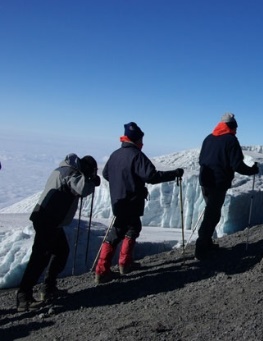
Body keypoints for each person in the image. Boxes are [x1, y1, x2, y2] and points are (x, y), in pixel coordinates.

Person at [95, 122, 184, 283]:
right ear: (136, 139)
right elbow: (152, 176)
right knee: (124, 230)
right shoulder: (136, 155)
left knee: (128, 228)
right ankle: (109, 268)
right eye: (141, 139)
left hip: (118, 200)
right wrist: (175, 173)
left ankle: (117, 265)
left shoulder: (115, 154)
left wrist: (120, 183)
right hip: (132, 200)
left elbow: (107, 174)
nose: (142, 143)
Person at [16, 153, 100, 312]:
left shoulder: (62, 169)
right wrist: (90, 179)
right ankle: (24, 297)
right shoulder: (71, 173)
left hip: (48, 219)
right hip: (48, 220)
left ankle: (48, 288)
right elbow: (81, 189)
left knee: (60, 251)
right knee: (40, 258)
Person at [196, 113, 259, 260]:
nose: (236, 132)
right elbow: (237, 164)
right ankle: (201, 248)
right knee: (212, 215)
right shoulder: (231, 140)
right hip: (218, 183)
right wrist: (252, 170)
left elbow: (201, 160)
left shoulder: (208, 138)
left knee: (212, 212)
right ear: (231, 127)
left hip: (205, 181)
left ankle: (207, 243)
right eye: (235, 128)